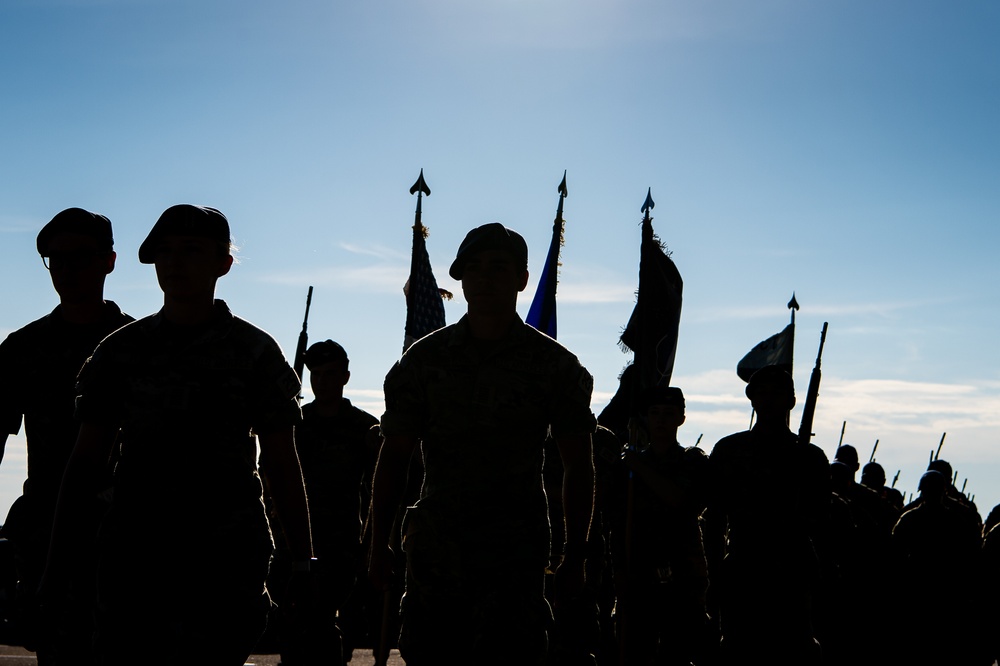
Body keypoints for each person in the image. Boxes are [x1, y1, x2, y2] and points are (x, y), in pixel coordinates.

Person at [40, 204, 312, 665]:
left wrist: (304, 561)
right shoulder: (121, 352)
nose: (175, 262)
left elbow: (282, 461)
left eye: (191, 250)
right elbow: (86, 462)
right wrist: (56, 564)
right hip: (137, 559)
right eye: (164, 252)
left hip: (225, 558)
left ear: (223, 264)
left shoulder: (255, 352)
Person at [368, 222, 597, 666]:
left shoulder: (555, 367)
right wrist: (379, 544)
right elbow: (394, 457)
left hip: (514, 553)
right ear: (461, 279)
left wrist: (576, 553)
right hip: (438, 548)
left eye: (499, 268)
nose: (485, 279)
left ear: (522, 279)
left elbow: (579, 466)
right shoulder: (424, 361)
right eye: (474, 269)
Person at [0, 208, 133, 663]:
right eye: (56, 259)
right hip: (47, 536)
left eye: (79, 256)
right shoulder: (23, 348)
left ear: (109, 261)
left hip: (130, 539)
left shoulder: (140, 346)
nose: (67, 269)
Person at [703, 365, 829, 665]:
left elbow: (822, 523)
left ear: (791, 401)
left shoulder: (810, 457)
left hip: (792, 570)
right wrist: (713, 573)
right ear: (752, 399)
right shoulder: (729, 450)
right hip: (743, 567)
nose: (769, 399)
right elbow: (715, 518)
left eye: (777, 393)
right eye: (762, 392)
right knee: (739, 653)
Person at [268, 339, 380, 666]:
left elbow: (377, 491)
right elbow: (272, 478)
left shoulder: (365, 428)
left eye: (330, 374)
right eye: (316, 374)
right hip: (291, 542)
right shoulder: (294, 425)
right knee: (291, 629)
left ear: (345, 376)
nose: (323, 382)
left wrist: (369, 546)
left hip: (340, 545)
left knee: (322, 627)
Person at [613, 386, 709, 666]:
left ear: (681, 418)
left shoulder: (692, 460)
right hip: (638, 568)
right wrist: (619, 569)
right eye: (654, 413)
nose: (661, 420)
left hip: (682, 572)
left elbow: (680, 500)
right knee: (635, 652)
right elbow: (617, 521)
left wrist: (639, 467)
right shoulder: (628, 465)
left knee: (678, 655)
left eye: (669, 414)